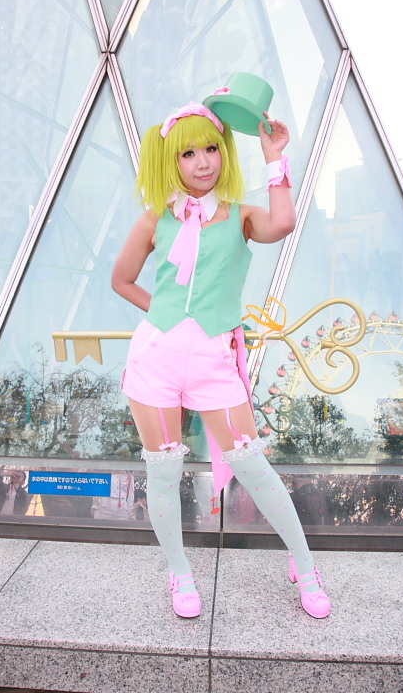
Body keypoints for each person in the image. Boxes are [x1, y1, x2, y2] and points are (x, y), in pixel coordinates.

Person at [112, 89, 331, 620]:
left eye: (211, 148)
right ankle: (180, 572)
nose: (202, 162)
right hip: (156, 361)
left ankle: (305, 566)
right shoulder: (154, 219)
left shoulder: (241, 216)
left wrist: (274, 157)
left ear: (224, 152)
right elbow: (122, 280)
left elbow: (284, 224)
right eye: (188, 153)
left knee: (254, 466)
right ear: (171, 160)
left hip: (214, 364)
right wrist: (169, 314)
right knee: (163, 474)